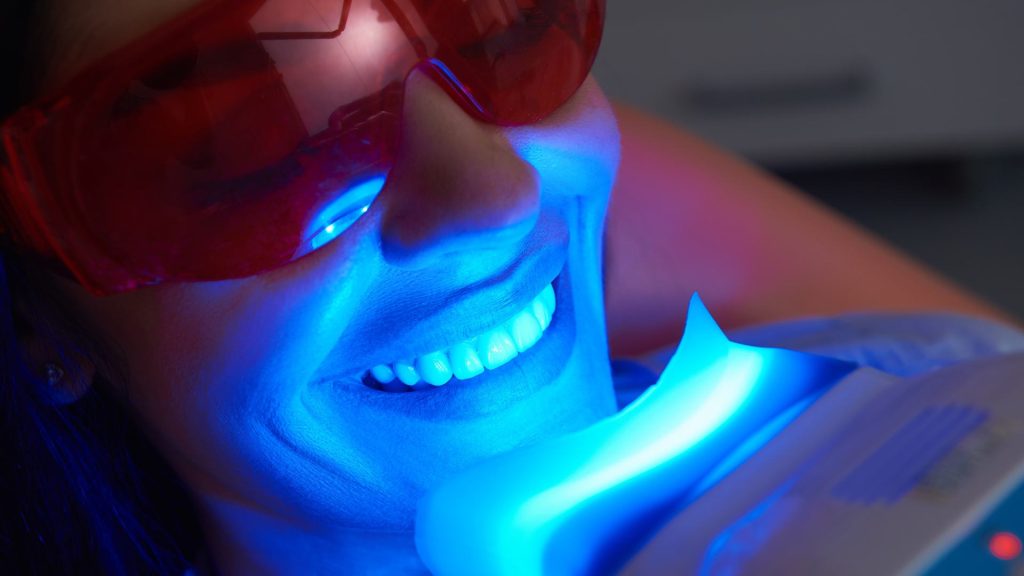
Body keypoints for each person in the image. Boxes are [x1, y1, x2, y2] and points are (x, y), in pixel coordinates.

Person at [1, 1, 1020, 575]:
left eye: (501, 29)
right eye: (258, 148)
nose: (495, 190)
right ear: (44, 319)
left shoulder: (924, 386)